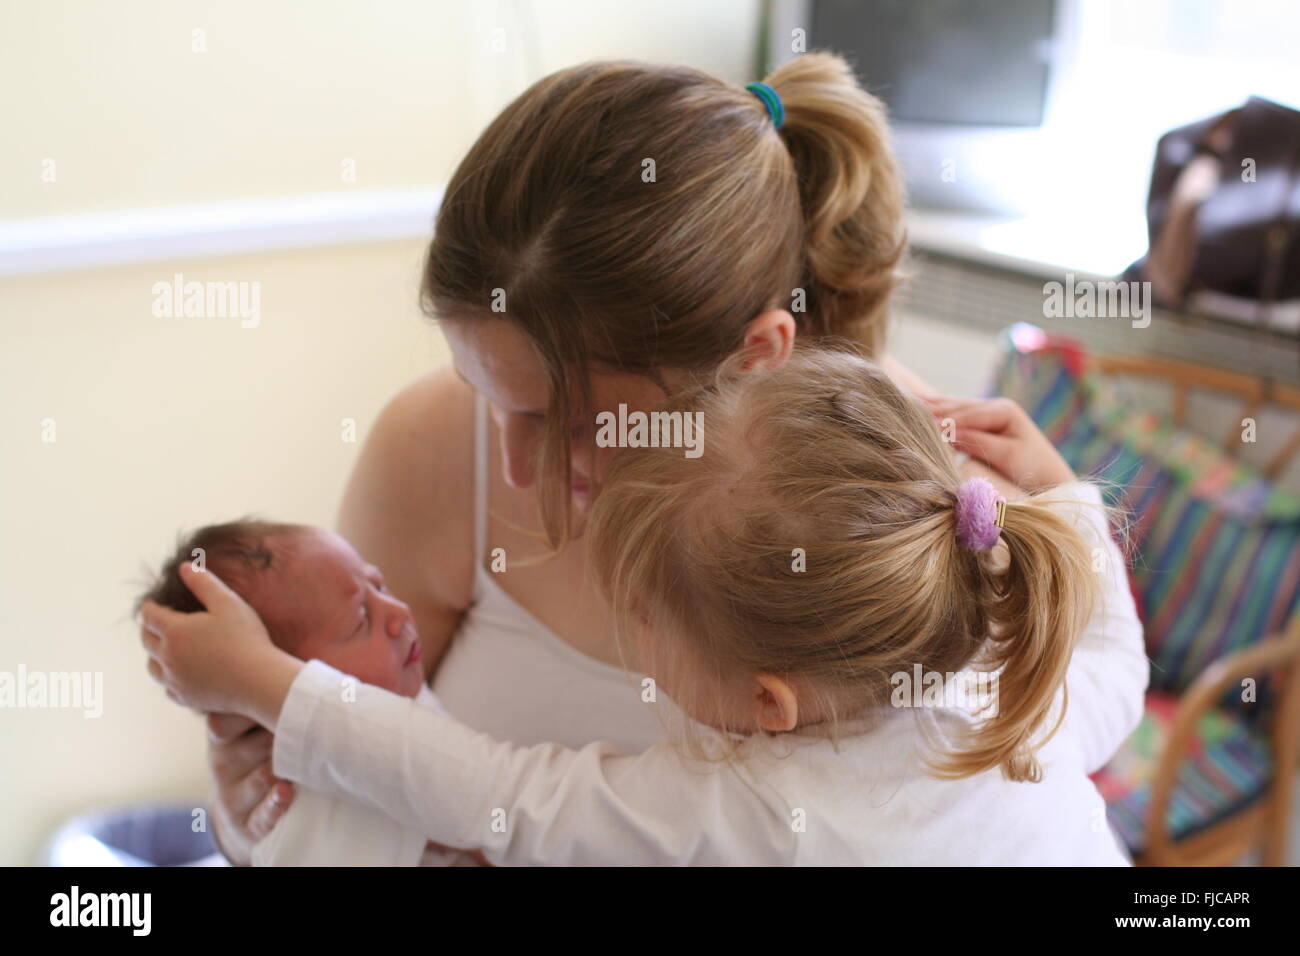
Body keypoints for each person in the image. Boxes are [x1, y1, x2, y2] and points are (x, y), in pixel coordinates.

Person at [140, 349, 1146, 864]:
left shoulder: (749, 814)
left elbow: (500, 791)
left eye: (647, 630)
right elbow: (1117, 668)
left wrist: (271, 685)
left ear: (768, 702)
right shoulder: (1011, 699)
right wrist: (1063, 499)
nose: (638, 653)